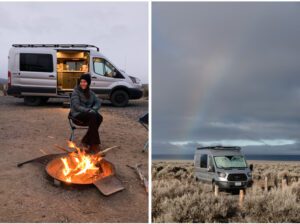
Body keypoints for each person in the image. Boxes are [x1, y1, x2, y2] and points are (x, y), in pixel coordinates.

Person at [70, 73, 102, 153]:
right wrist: (88, 110)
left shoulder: (91, 93)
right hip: (77, 115)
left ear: (88, 83)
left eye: (85, 82)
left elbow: (98, 102)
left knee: (99, 117)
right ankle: (94, 144)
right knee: (93, 116)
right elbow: (76, 106)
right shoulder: (76, 92)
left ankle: (85, 140)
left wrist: (94, 109)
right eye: (81, 82)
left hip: (89, 115)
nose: (83, 84)